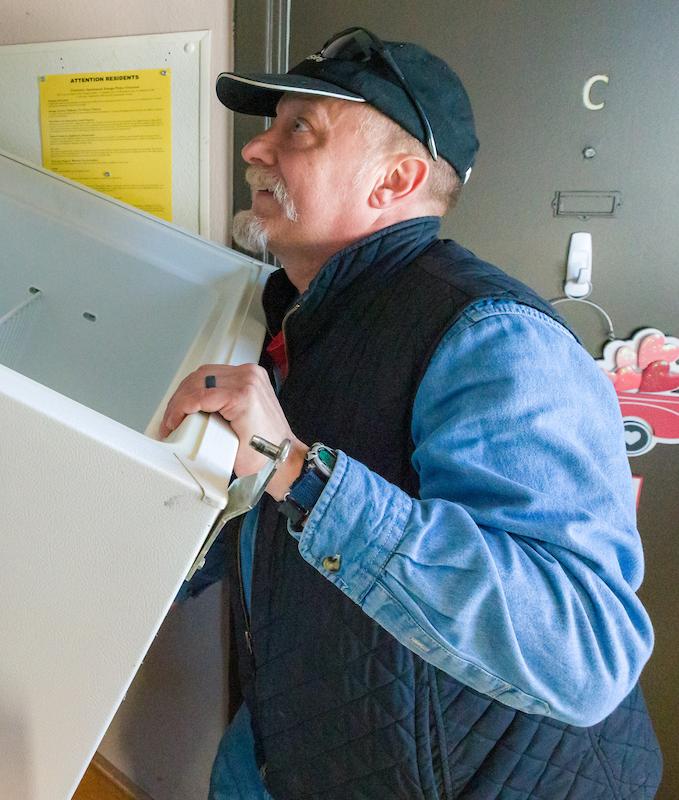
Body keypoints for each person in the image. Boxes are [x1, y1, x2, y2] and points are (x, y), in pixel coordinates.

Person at [161, 27, 663, 799]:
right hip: (293, 742)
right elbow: (284, 510)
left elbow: (586, 650)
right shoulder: (296, 312)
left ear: (395, 180)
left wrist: (298, 473)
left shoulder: (492, 339)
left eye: (299, 130)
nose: (256, 151)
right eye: (270, 127)